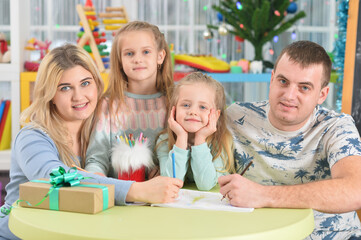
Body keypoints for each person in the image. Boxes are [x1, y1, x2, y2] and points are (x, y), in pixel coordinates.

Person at [0, 44, 182, 240]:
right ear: (50, 95)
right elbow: (57, 179)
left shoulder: (102, 130)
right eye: (65, 88)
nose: (78, 96)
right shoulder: (32, 136)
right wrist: (137, 190)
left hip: (78, 230)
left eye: (85, 83)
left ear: (97, 83)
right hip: (21, 233)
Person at [220, 40, 361, 239]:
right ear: (272, 79)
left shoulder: (336, 127)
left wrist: (263, 195)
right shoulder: (236, 116)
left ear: (322, 94)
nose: (289, 95)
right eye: (283, 81)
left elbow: (355, 189)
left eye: (304, 87)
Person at [85, 21, 174, 178]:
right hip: (120, 195)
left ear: (160, 56)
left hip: (164, 194)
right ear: (119, 60)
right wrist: (98, 181)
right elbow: (96, 159)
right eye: (129, 53)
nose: (137, 59)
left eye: (146, 52)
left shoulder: (174, 103)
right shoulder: (108, 105)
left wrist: (166, 172)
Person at [156, 72, 234, 190]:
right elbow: (171, 182)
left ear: (216, 115)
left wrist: (200, 139)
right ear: (174, 109)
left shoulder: (221, 141)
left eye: (202, 107)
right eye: (186, 105)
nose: (193, 112)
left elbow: (205, 185)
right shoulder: (164, 141)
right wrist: (181, 138)